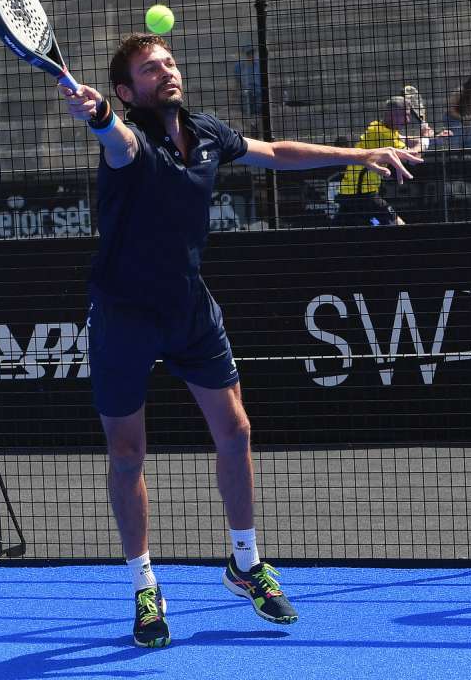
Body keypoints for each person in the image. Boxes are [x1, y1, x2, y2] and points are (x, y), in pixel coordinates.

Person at [58, 34, 421, 648]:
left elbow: (276, 151)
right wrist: (98, 115)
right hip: (123, 314)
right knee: (127, 454)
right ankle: (144, 583)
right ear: (126, 91)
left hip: (188, 306)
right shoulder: (130, 140)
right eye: (151, 69)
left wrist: (358, 155)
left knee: (236, 429)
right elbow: (114, 140)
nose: (167, 72)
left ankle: (246, 563)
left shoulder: (204, 132)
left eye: (169, 63)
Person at [335, 95, 445, 226]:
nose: (408, 120)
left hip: (352, 194)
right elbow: (415, 159)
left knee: (357, 228)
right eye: (405, 115)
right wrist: (425, 138)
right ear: (393, 115)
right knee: (397, 224)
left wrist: (433, 138)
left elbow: (403, 138)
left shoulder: (378, 126)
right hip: (362, 195)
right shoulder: (384, 135)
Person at [443, 74, 471, 153]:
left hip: (469, 118)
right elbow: (451, 110)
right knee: (458, 127)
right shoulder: (460, 91)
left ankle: (469, 152)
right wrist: (462, 118)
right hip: (453, 117)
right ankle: (455, 152)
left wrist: (470, 118)